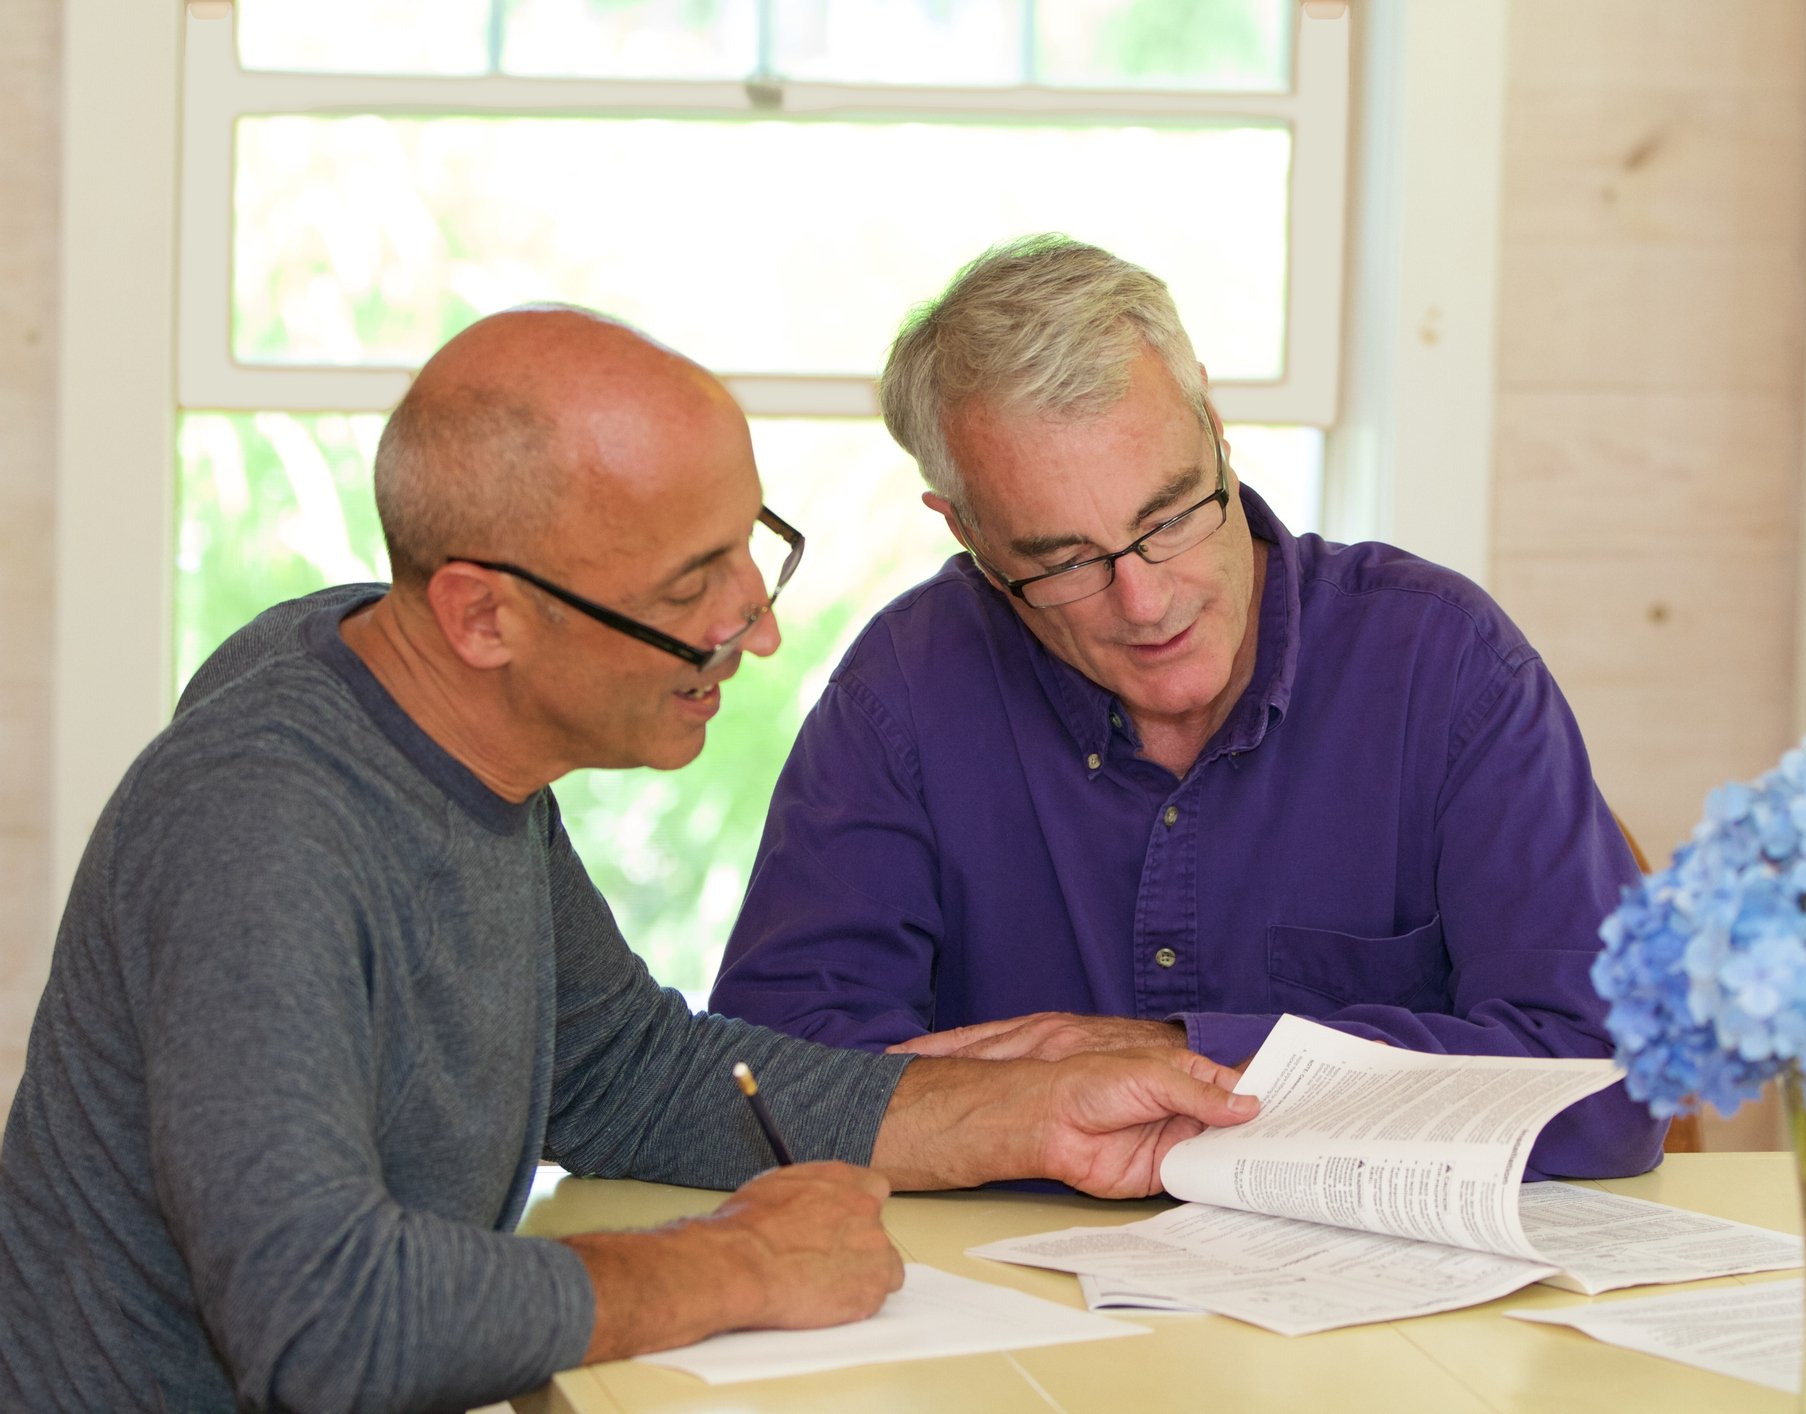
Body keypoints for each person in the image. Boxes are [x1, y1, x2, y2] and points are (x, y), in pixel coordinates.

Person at [0, 307, 1258, 1413]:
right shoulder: (262, 823)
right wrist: (742, 1264)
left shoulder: (418, 716)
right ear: (481, 614)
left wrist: (1024, 1114)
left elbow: (626, 1071)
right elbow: (323, 1319)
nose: (756, 630)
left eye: (746, 546)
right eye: (687, 590)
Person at [709, 236, 1664, 1180]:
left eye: (1169, 518)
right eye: (1063, 562)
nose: (1146, 601)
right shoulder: (906, 690)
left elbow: (1607, 1090)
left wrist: (1167, 1053)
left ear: (1213, 424)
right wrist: (1041, 1109)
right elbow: (766, 1086)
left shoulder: (1442, 662)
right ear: (962, 530)